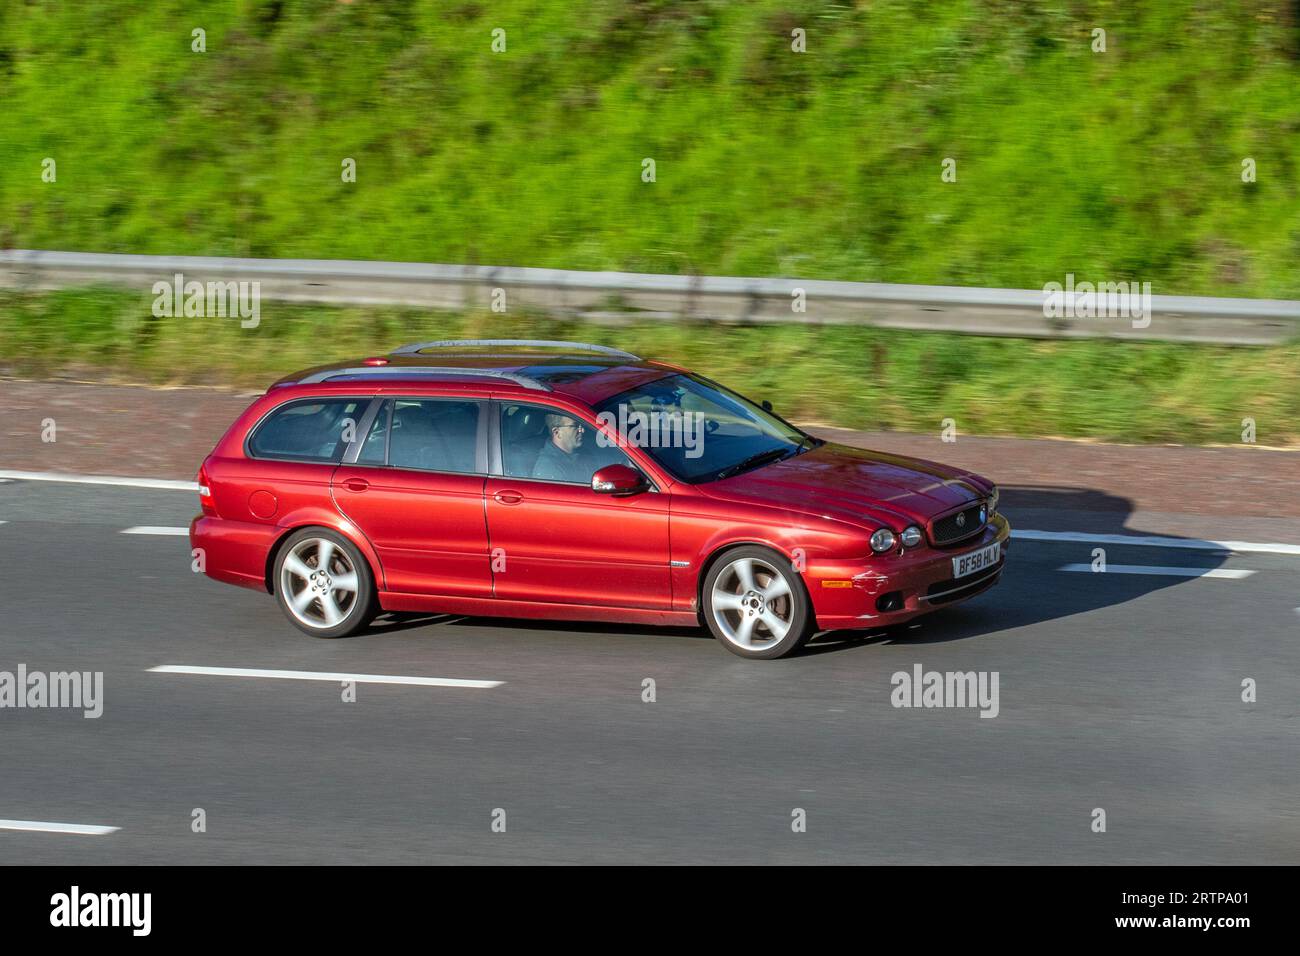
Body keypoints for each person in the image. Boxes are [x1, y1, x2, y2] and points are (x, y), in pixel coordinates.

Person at [532, 413, 590, 483]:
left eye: (581, 425)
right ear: (557, 432)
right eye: (575, 426)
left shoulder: (584, 454)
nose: (582, 430)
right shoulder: (548, 469)